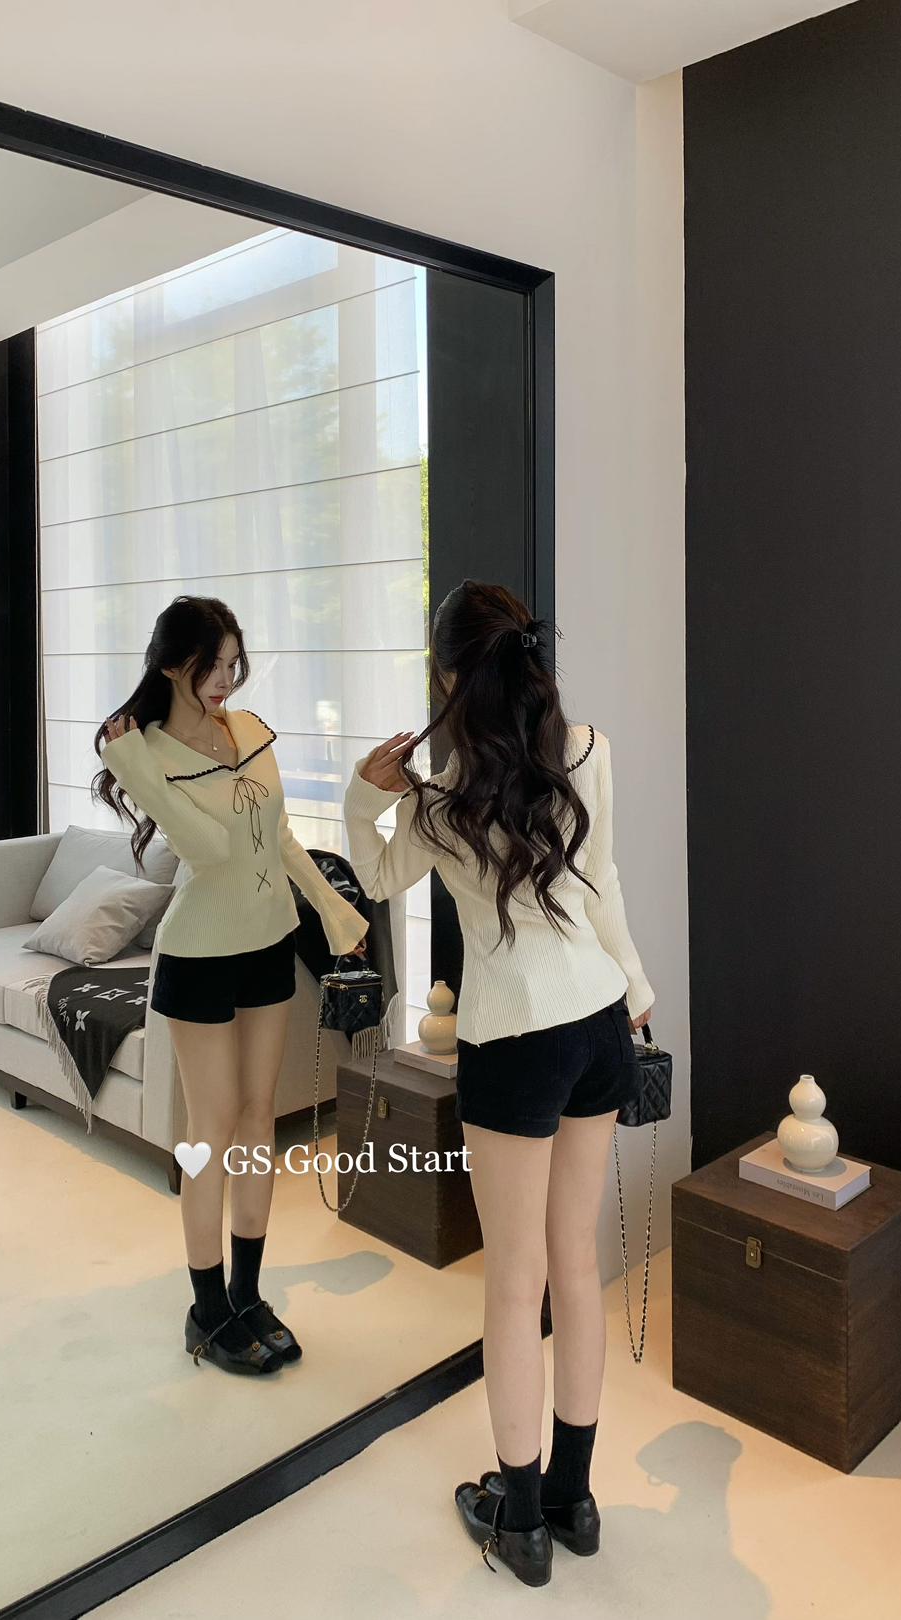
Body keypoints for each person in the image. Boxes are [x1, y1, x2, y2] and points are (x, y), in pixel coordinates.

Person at [342, 579, 655, 1587]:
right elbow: (604, 884)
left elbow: (374, 880)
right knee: (576, 1266)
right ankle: (574, 1499)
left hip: (513, 1040)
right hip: (598, 1023)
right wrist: (639, 992)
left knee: (515, 1285)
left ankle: (519, 1521)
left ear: (448, 679)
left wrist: (365, 793)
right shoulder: (588, 751)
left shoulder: (441, 804)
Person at [93, 595, 370, 1376]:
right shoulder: (147, 751)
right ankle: (206, 1307)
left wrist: (335, 914)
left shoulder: (248, 731)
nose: (225, 680)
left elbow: (277, 836)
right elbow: (208, 850)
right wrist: (138, 772)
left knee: (256, 1122)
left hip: (267, 943)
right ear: (171, 666)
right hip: (199, 954)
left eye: (232, 665)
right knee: (209, 1131)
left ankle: (246, 1294)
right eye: (210, 665)